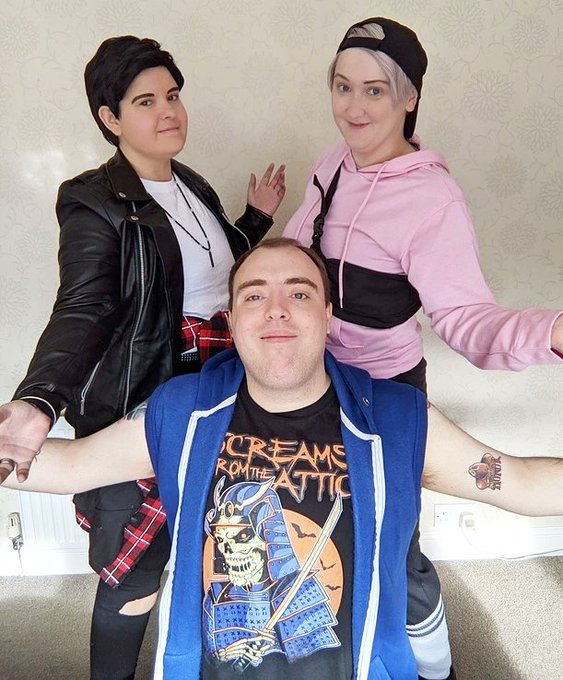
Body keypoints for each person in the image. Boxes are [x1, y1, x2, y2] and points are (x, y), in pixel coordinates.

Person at [2, 238, 562, 680]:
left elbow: (516, 480)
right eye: (254, 295)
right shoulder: (180, 410)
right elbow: (67, 466)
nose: (275, 311)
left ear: (326, 313)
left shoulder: (397, 418)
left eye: (298, 294)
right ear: (231, 318)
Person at [283, 17, 563, 679]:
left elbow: (469, 321)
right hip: (309, 386)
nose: (354, 107)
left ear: (409, 97)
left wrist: (552, 332)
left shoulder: (432, 200)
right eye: (342, 86)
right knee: (315, 539)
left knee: (394, 555)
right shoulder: (330, 164)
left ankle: (437, 671)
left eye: (375, 90)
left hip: (383, 398)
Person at [0, 36, 285, 680]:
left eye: (173, 95)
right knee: (136, 572)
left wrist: (254, 221)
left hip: (222, 386)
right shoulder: (92, 199)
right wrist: (41, 397)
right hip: (147, 395)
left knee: (227, 547)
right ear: (111, 118)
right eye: (146, 101)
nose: (168, 111)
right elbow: (84, 307)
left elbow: (207, 267)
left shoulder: (192, 183)